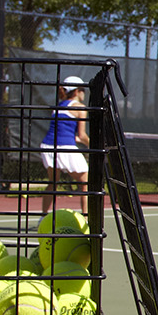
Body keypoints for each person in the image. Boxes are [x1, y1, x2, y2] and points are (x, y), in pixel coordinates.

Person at [39, 76, 90, 217]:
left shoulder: (59, 106)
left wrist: (76, 139)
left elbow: (63, 130)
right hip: (64, 148)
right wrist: (95, 146)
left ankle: (43, 217)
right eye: (83, 90)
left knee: (53, 183)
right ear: (77, 91)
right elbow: (82, 136)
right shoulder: (80, 108)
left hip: (48, 146)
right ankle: (86, 219)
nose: (84, 93)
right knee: (86, 183)